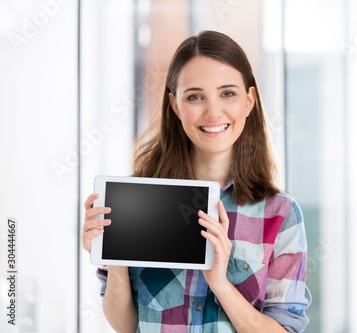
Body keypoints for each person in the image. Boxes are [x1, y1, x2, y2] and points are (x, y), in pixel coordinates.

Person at [82, 30, 311, 333]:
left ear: (249, 100)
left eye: (227, 93)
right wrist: (112, 253)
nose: (213, 111)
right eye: (195, 96)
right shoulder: (135, 199)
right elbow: (125, 326)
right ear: (176, 105)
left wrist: (220, 283)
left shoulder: (280, 215)